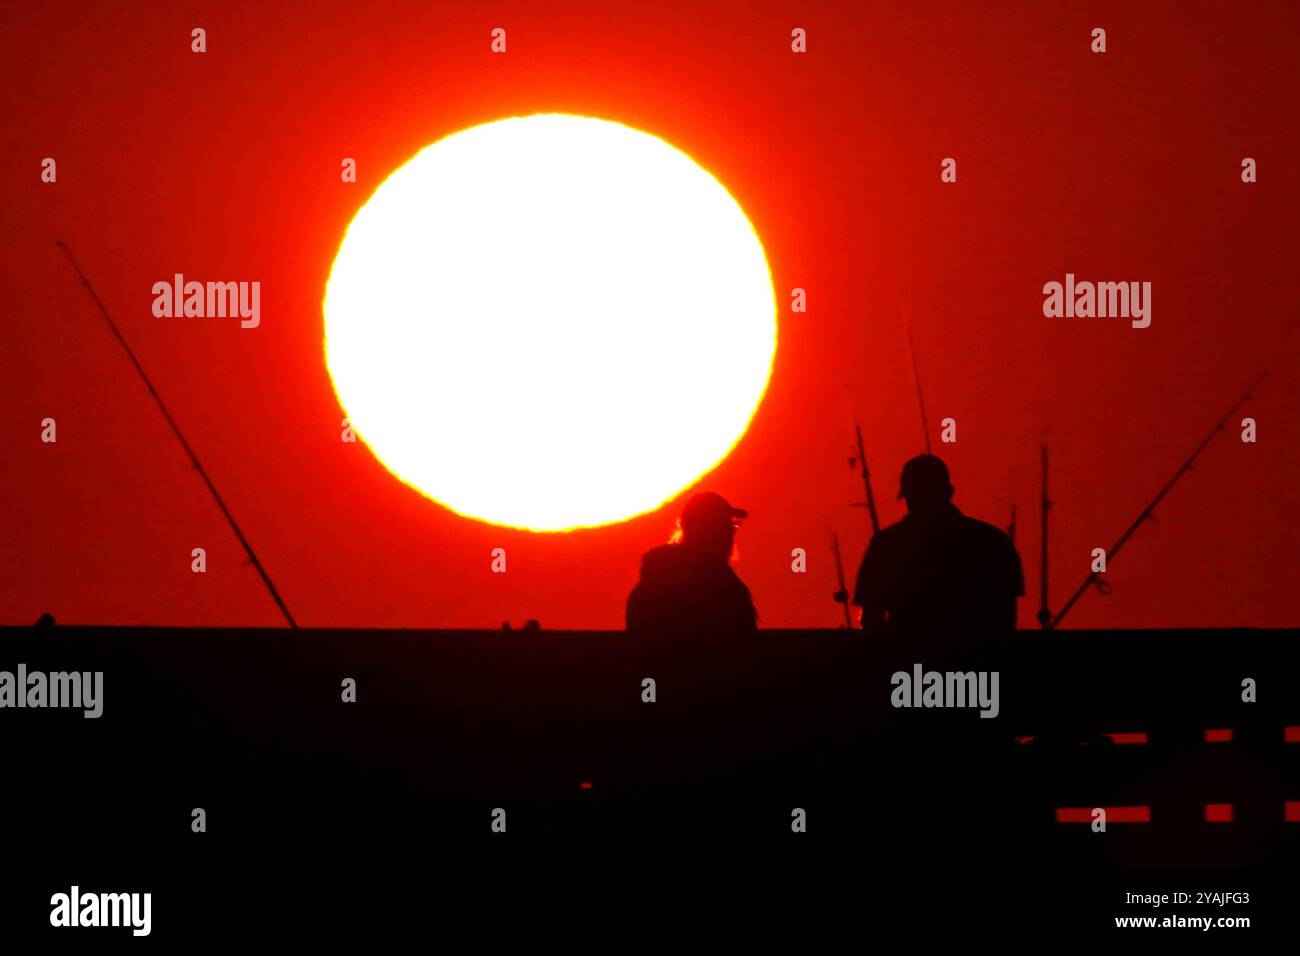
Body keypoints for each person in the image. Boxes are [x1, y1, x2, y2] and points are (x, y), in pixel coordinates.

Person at [853, 455, 1023, 636]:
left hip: (907, 658)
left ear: (907, 495)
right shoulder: (993, 542)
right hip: (976, 658)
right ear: (949, 492)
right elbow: (1005, 618)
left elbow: (871, 619)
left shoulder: (887, 545)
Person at [626, 492, 758, 635]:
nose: (730, 532)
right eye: (724, 525)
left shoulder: (652, 581)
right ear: (706, 530)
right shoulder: (725, 588)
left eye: (733, 525)